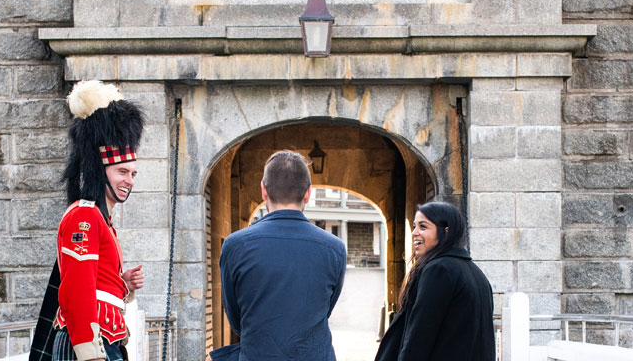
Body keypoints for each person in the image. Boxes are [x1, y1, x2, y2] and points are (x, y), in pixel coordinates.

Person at [29, 80, 150, 361]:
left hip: (106, 341)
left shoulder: (100, 219)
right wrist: (90, 353)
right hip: (90, 348)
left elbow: (97, 286)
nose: (129, 181)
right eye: (122, 171)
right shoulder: (85, 215)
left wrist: (124, 284)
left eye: (133, 174)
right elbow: (77, 291)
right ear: (101, 170)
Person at [210, 151, 348, 361]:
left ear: (264, 190)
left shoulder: (235, 245)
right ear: (307, 193)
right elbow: (325, 309)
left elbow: (237, 320)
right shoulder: (334, 248)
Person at [373, 201, 496, 361]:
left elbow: (420, 336)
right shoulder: (474, 272)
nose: (415, 233)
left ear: (445, 231)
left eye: (423, 227)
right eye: (414, 226)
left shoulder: (439, 270)